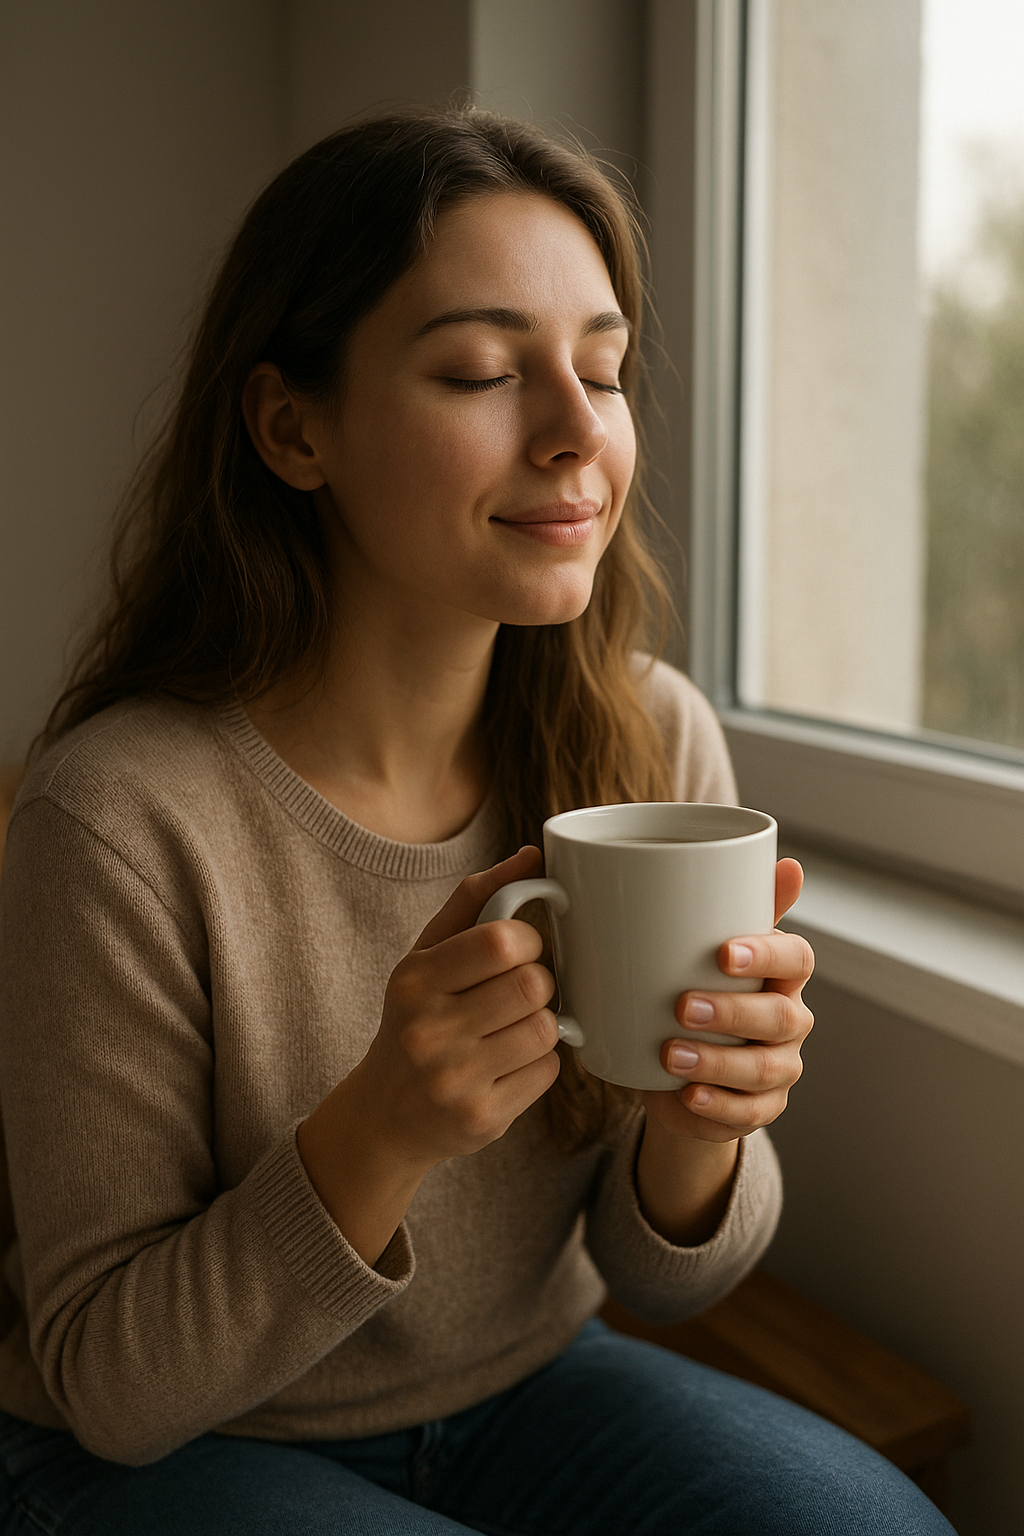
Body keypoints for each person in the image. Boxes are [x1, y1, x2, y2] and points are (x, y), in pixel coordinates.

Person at [0, 109, 953, 1534]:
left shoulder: (647, 742)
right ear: (291, 426)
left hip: (530, 1386)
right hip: (173, 1448)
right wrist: (381, 1129)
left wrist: (704, 1129)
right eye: (484, 372)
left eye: (607, 371)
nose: (578, 433)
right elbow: (114, 1390)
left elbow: (667, 1279)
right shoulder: (119, 817)